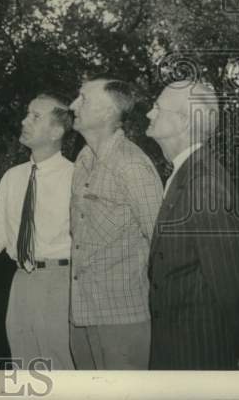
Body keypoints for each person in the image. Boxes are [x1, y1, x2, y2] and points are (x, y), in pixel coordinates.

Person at [0, 94, 75, 369]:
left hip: (63, 283)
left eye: (35, 116)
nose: (24, 121)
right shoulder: (13, 177)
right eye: (26, 114)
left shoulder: (76, 177)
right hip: (21, 284)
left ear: (57, 131)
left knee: (66, 374)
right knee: (27, 373)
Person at [145, 80, 239, 369]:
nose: (149, 113)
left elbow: (229, 271)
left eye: (157, 107)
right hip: (176, 340)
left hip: (198, 346)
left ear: (183, 121)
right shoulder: (186, 173)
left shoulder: (203, 182)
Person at [67, 78, 163, 369]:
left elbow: (162, 243)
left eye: (83, 99)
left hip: (122, 320)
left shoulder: (132, 165)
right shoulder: (83, 159)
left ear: (108, 112)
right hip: (81, 317)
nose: (73, 106)